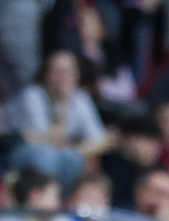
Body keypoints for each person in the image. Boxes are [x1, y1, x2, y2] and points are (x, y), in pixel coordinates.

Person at [6, 48, 107, 186]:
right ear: (46, 74)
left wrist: (75, 148)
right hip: (21, 152)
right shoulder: (33, 95)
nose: (63, 77)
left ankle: (60, 202)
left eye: (68, 71)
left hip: (60, 154)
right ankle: (42, 201)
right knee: (47, 155)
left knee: (73, 157)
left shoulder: (80, 98)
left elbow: (99, 140)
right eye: (57, 71)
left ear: (77, 75)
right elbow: (41, 138)